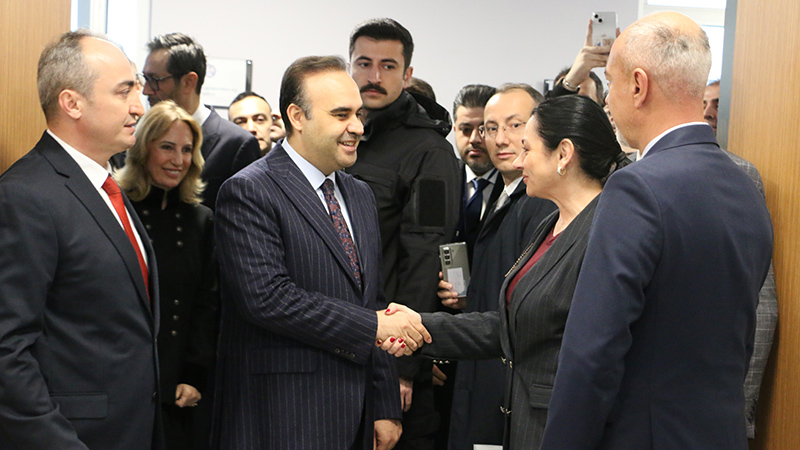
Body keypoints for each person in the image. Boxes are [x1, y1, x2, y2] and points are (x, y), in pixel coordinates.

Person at [540, 12, 773, 449]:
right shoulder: (745, 186)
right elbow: (741, 338)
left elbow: (593, 350)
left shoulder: (637, 187)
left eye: (611, 83)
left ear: (638, 85)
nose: (608, 103)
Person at [381, 94, 631, 449]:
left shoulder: (606, 232)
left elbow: (597, 355)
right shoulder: (551, 223)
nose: (518, 159)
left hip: (565, 425)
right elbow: (511, 325)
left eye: (527, 148)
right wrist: (419, 325)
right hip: (526, 419)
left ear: (563, 154)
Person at [211, 55, 431, 450]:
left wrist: (384, 404)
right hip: (282, 417)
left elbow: (373, 300)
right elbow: (267, 298)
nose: (357, 127)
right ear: (297, 116)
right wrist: (372, 327)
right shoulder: (249, 191)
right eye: (341, 114)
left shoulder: (359, 195)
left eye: (359, 114)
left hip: (357, 415)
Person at [0, 30, 160, 449]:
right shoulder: (25, 195)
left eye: (137, 89)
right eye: (124, 91)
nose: (139, 106)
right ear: (72, 103)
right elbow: (7, 348)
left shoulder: (105, 185)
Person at [347, 18, 462, 448]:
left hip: (390, 354)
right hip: (343, 337)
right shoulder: (344, 135)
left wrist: (403, 367)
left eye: (388, 66)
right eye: (364, 63)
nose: (374, 76)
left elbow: (424, 258)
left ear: (407, 74)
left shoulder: (430, 152)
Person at [439, 83, 557, 449]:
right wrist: (471, 297)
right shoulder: (502, 195)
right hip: (482, 370)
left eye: (515, 125)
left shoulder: (541, 202)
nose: (501, 138)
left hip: (505, 384)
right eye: (491, 128)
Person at [115, 101, 219, 450]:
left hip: (177, 385)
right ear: (143, 149)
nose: (178, 160)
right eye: (167, 147)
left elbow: (206, 305)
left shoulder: (201, 220)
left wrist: (194, 374)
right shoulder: (118, 209)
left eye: (187, 150)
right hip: (122, 379)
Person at [701, 78, 778, 439]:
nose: (707, 113)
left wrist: (741, 411)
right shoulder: (620, 173)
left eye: (717, 104)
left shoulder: (739, 175)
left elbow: (762, 304)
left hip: (712, 401)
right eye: (703, 103)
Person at [142, 33, 260, 209]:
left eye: (154, 80)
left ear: (189, 82)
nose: (146, 90)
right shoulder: (139, 135)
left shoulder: (236, 145)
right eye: (145, 79)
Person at [451, 83, 500, 261]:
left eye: (483, 129)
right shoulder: (443, 179)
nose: (474, 139)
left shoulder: (519, 187)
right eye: (465, 130)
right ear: (454, 130)